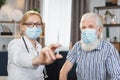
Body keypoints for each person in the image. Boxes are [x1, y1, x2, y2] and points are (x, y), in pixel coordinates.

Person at [59, 13, 120, 80]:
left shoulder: (110, 49)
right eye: (83, 27)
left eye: (91, 27)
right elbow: (63, 72)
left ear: (99, 30)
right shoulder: (77, 46)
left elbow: (115, 77)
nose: (86, 30)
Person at [7, 10, 63, 80]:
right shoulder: (15, 44)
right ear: (22, 27)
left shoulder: (40, 47)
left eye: (38, 24)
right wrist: (39, 59)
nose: (35, 27)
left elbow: (40, 75)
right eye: (30, 24)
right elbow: (21, 58)